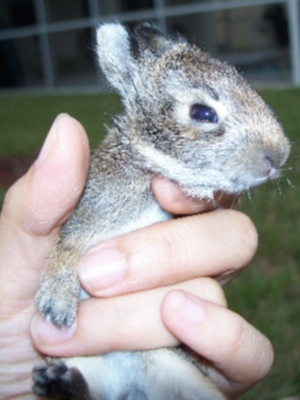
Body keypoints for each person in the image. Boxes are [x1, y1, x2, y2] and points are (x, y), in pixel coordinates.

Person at [0, 114, 273, 399]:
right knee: (78, 371)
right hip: (82, 357)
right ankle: (78, 387)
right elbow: (73, 233)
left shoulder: (181, 198)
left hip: (153, 359)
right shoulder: (109, 175)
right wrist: (61, 272)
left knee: (178, 374)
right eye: (203, 115)